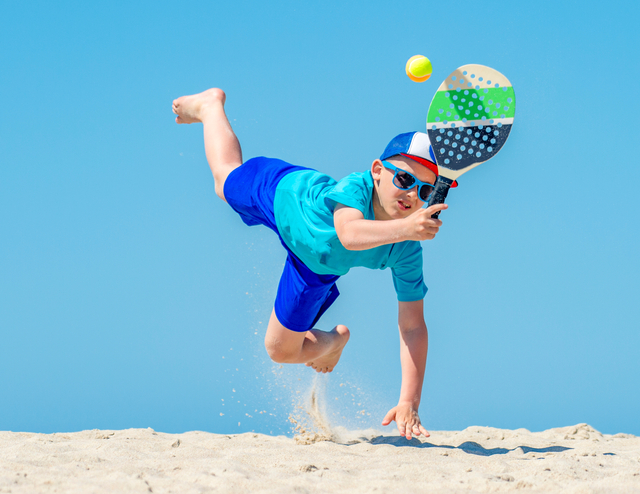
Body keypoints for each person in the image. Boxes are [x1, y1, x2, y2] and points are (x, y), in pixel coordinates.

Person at [172, 87, 450, 439]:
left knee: (279, 350)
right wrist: (407, 228)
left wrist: (409, 400)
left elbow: (413, 326)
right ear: (377, 170)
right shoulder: (357, 189)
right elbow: (349, 233)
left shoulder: (407, 247)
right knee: (224, 179)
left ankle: (333, 342)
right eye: (405, 179)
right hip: (285, 194)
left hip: (315, 264)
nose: (413, 195)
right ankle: (211, 106)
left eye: (426, 190)